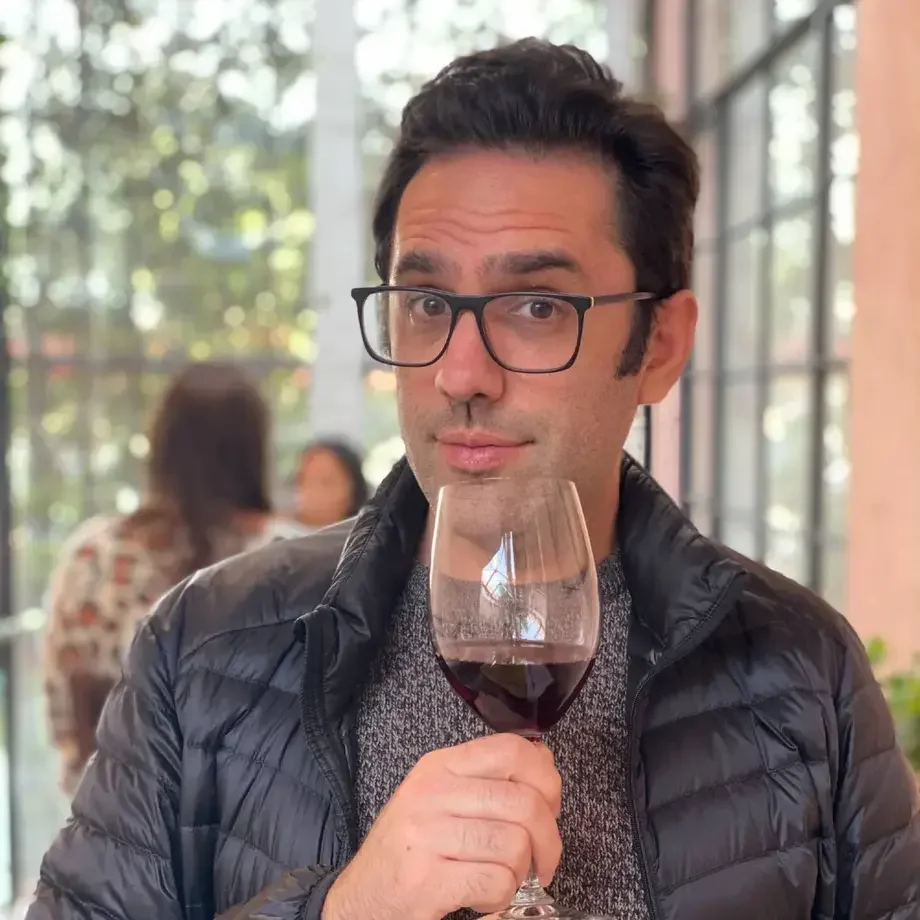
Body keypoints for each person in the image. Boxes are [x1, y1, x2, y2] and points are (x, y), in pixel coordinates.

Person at [29, 39, 919, 920]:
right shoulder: (202, 649)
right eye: (426, 304)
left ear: (659, 346)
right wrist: (344, 912)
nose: (462, 374)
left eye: (535, 307)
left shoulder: (801, 674)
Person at [42, 361, 304, 795]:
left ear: (162, 444)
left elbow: (64, 719)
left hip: (109, 815)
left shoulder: (93, 557)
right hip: (261, 828)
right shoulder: (293, 560)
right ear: (255, 448)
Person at [295, 439, 369, 529]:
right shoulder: (284, 531)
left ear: (353, 489)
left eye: (325, 482)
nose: (311, 490)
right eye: (303, 480)